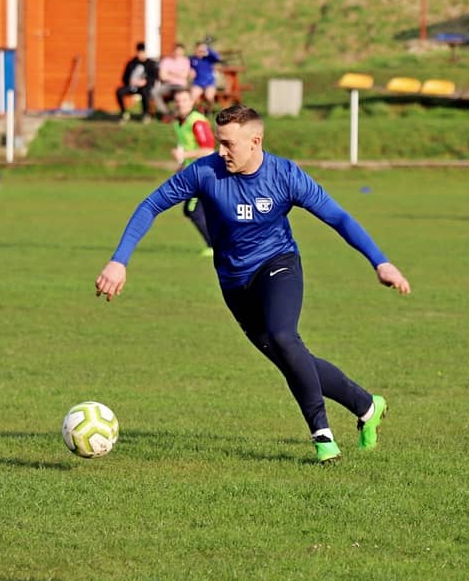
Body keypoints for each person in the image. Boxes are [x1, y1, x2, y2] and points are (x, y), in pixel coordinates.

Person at [95, 104, 411, 463]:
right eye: (219, 142)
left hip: (278, 264)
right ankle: (368, 406)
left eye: (228, 144)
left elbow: (338, 217)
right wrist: (119, 260)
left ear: (255, 141)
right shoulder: (204, 172)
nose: (220, 151)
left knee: (283, 336)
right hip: (233, 282)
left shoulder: (285, 175)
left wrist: (380, 261)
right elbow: (151, 205)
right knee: (290, 359)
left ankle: (322, 436)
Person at [170, 87, 216, 256]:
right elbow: (188, 149)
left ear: (191, 102)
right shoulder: (178, 123)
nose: (180, 104)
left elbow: (208, 149)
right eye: (177, 101)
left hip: (205, 173)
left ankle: (214, 246)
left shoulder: (197, 122)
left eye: (184, 100)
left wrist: (184, 155)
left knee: (193, 210)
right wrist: (181, 167)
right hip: (193, 173)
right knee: (200, 210)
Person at [116, 42, 157, 124]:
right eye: (139, 52)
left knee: (145, 92)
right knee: (119, 91)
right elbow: (124, 77)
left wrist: (145, 81)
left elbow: (154, 77)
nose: (141, 55)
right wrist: (130, 81)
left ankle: (146, 114)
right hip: (132, 86)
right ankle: (124, 113)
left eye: (142, 52)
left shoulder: (150, 64)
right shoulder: (131, 63)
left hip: (144, 86)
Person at [151, 43, 193, 118]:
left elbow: (184, 75)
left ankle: (178, 113)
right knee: (154, 92)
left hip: (180, 85)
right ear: (173, 51)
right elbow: (162, 76)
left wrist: (170, 73)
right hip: (168, 85)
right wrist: (177, 74)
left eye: (180, 51)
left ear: (183, 52)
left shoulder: (185, 61)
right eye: (176, 51)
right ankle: (166, 112)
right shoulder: (166, 61)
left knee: (180, 95)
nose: (178, 53)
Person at [189, 40, 222, 110]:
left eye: (202, 50)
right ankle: (199, 110)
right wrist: (190, 70)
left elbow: (218, 57)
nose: (201, 52)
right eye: (199, 50)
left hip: (209, 83)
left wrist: (208, 49)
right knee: (193, 96)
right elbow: (187, 66)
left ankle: (209, 111)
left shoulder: (209, 58)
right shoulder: (192, 59)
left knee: (209, 97)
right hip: (197, 83)